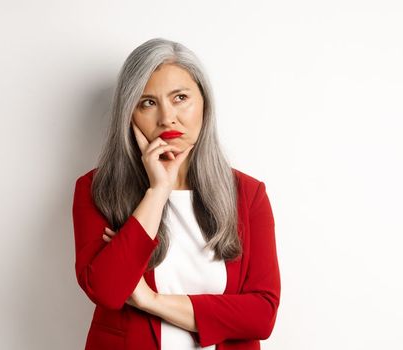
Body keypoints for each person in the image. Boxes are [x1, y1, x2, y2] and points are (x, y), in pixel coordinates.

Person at [72, 37, 280, 350]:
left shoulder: (247, 195)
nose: (167, 117)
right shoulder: (97, 189)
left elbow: (261, 316)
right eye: (147, 103)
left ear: (204, 103)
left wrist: (149, 300)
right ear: (129, 115)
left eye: (180, 97)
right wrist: (158, 191)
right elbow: (107, 290)